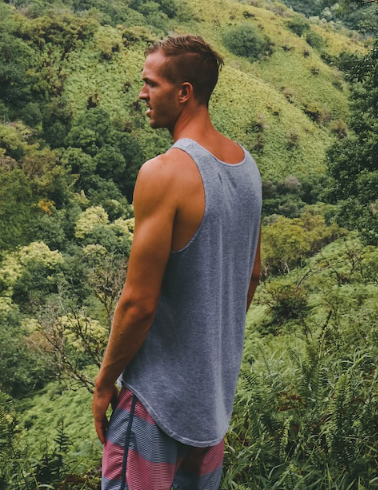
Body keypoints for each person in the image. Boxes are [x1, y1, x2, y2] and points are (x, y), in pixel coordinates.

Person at [93, 34, 262, 490]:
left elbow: (138, 304)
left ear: (184, 92)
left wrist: (105, 383)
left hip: (156, 402)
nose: (141, 94)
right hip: (211, 405)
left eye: (151, 84)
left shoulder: (163, 173)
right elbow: (252, 275)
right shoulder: (247, 168)